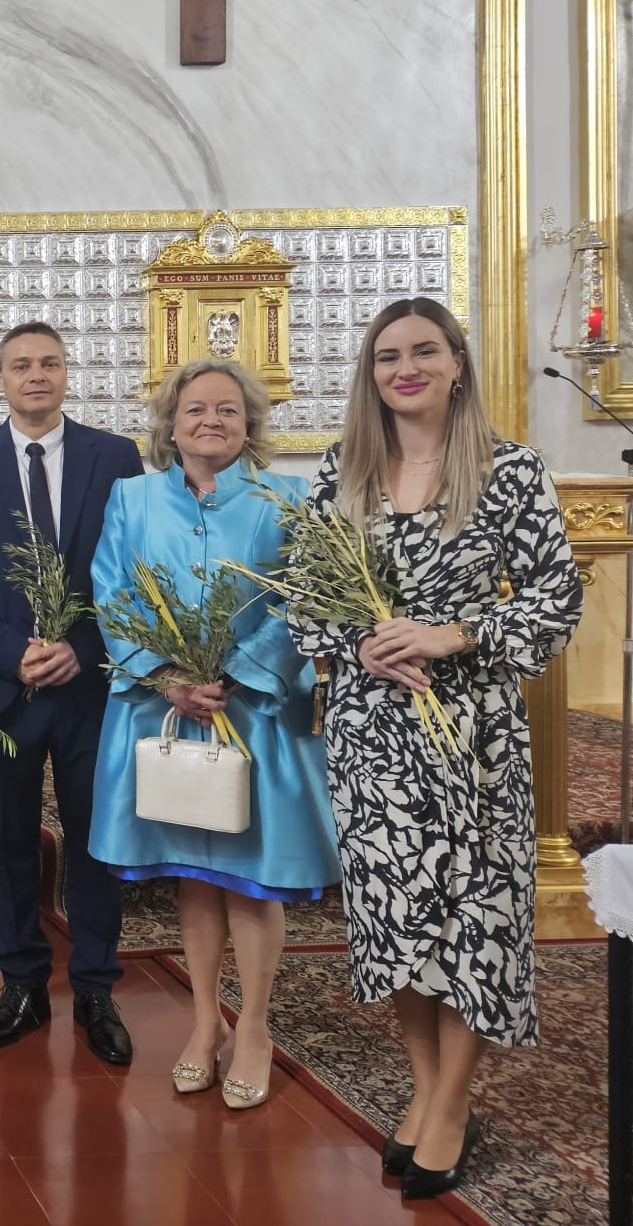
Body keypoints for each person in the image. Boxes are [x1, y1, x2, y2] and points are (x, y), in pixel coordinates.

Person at [287, 298, 580, 1200]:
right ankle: (425, 1089)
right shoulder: (344, 473)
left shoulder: (509, 471)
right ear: (369, 376)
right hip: (373, 737)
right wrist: (355, 640)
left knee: (474, 922)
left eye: (423, 352)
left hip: (473, 737)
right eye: (386, 357)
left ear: (458, 361)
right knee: (398, 924)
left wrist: (452, 634)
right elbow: (303, 598)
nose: (404, 368)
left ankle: (452, 1103)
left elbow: (554, 598)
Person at [89, 359, 340, 1110]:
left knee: (250, 882)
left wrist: (236, 675)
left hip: (253, 715)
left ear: (250, 423)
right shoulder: (131, 497)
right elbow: (112, 590)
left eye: (228, 410)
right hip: (162, 707)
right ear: (170, 422)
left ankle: (255, 1028)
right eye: (196, 409)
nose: (211, 421)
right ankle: (205, 1024)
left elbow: (303, 599)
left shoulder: (287, 497)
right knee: (193, 875)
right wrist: (167, 675)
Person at [0, 320, 145, 1064]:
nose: (37, 374)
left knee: (98, 840)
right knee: (7, 839)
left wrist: (80, 647)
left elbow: (132, 571)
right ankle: (21, 983)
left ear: (67, 373)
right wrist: (9, 653)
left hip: (91, 686)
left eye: (50, 363)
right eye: (21, 365)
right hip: (7, 688)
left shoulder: (116, 457)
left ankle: (95, 987)